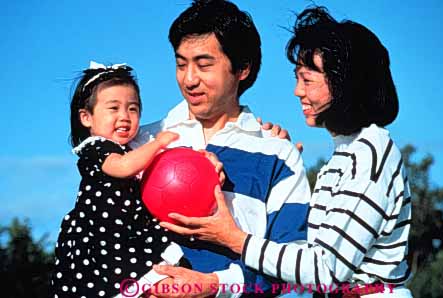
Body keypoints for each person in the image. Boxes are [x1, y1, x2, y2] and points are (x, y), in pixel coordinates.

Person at [159, 6, 413, 298]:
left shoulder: (371, 153)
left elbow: (326, 271)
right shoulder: (344, 156)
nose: (296, 91)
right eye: (297, 78)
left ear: (345, 83)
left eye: (307, 80)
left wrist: (234, 238)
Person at [131, 0, 311, 296]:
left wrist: (217, 284)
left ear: (242, 68)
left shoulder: (278, 155)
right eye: (180, 64)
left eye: (204, 65)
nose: (189, 79)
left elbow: (294, 268)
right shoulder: (143, 143)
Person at [51, 62, 223, 298]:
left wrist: (200, 160)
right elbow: (123, 167)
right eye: (114, 108)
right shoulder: (94, 148)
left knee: (162, 282)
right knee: (143, 283)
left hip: (130, 233)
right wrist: (158, 143)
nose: (124, 116)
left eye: (133, 109)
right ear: (86, 117)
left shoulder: (130, 148)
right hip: (108, 239)